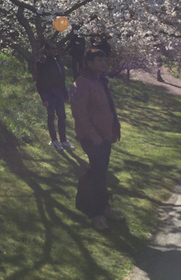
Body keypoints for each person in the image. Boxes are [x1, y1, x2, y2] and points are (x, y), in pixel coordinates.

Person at [70, 49, 124, 232]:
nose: (103, 63)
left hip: (105, 135)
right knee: (97, 174)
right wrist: (93, 136)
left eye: (104, 60)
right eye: (99, 60)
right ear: (89, 63)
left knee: (99, 173)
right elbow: (79, 113)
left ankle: (102, 208)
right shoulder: (81, 84)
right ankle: (96, 214)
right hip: (93, 137)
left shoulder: (100, 81)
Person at [36, 41, 75, 152]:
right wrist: (44, 98)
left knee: (62, 116)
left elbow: (61, 79)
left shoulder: (57, 61)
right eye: (52, 49)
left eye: (56, 49)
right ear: (47, 50)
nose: (55, 51)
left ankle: (63, 140)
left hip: (58, 94)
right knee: (51, 116)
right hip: (49, 94)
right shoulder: (42, 63)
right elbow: (40, 82)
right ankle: (54, 140)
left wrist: (65, 94)